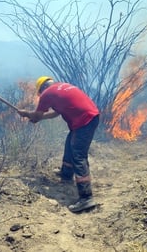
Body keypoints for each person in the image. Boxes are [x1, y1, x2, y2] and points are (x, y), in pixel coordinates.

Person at [17, 76, 100, 213]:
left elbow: (36, 116)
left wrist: (27, 114)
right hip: (90, 117)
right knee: (70, 144)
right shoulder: (62, 87)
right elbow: (55, 113)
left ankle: (86, 197)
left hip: (84, 121)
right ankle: (66, 175)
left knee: (78, 155)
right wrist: (37, 117)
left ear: (42, 88)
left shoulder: (46, 94)